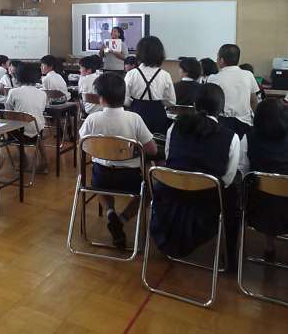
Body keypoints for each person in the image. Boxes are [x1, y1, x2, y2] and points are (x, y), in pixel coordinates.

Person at [150, 83, 240, 266]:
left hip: (171, 198)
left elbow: (169, 160)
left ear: (194, 105)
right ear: (221, 109)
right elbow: (227, 179)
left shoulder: (174, 128)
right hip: (207, 204)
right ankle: (230, 257)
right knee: (234, 191)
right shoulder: (231, 137)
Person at [80, 72, 157, 248]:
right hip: (130, 178)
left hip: (101, 176)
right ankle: (121, 220)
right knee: (147, 193)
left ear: (100, 98)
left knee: (99, 186)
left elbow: (83, 144)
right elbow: (152, 149)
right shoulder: (134, 118)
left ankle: (110, 213)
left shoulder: (92, 119)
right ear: (124, 96)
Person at [238, 98, 288, 261]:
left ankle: (269, 246)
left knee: (267, 198)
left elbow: (243, 172)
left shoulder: (248, 138)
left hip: (257, 206)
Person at [125, 36, 175, 134]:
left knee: (136, 140)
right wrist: (158, 101)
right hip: (158, 114)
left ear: (139, 53)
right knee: (157, 140)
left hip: (137, 112)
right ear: (160, 53)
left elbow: (124, 100)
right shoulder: (165, 75)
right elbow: (171, 101)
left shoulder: (131, 74)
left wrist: (134, 102)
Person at [208, 44, 259, 139]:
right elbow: (253, 101)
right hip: (245, 125)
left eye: (217, 57)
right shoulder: (248, 75)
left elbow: (210, 105)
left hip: (221, 125)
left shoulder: (213, 78)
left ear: (221, 60)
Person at [5, 63, 48, 172]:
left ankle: (23, 158)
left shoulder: (13, 92)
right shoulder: (42, 93)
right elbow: (42, 109)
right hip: (38, 131)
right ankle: (44, 160)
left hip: (18, 135)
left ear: (18, 77)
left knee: (14, 123)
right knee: (37, 124)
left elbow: (8, 111)